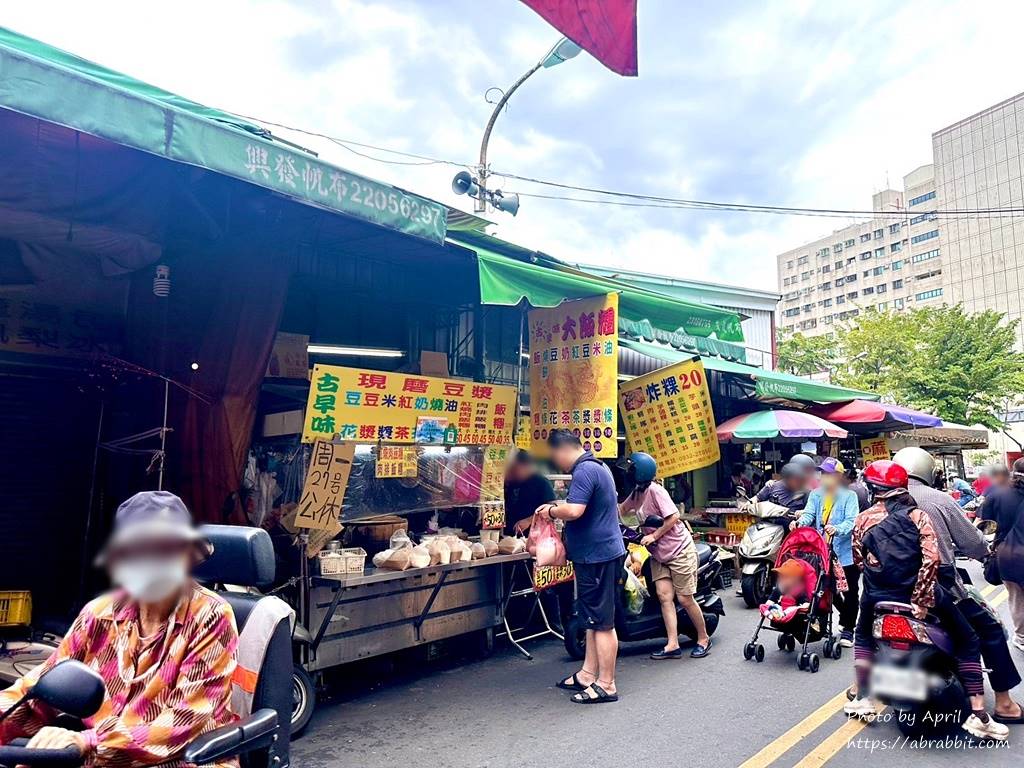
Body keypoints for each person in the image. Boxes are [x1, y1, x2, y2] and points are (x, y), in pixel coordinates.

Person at [0, 491, 239, 765]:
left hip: (186, 758)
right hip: (103, 757)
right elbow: (36, 693)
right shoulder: (98, 614)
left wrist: (88, 741)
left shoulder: (212, 616)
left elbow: (182, 723)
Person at [844, 461, 1008, 741]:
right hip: (921, 595)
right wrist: (921, 598)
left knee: (863, 637)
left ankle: (862, 698)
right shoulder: (917, 516)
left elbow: (861, 560)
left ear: (873, 489)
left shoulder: (862, 520)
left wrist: (875, 590)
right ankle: (979, 715)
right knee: (968, 640)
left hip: (877, 596)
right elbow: (931, 560)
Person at [894, 446, 1023, 724]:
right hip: (938, 585)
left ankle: (862, 692)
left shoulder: (879, 501)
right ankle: (1004, 704)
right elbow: (972, 541)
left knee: (864, 633)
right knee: (989, 630)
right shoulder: (937, 499)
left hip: (890, 587)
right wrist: (984, 553)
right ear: (927, 471)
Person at [539, 430, 625, 704]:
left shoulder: (585, 471)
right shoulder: (598, 467)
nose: (558, 463)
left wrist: (550, 511)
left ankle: (607, 684)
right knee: (592, 620)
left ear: (563, 449)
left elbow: (575, 510)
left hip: (598, 557)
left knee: (602, 623)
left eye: (555, 457)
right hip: (597, 555)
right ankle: (588, 674)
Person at [619, 452, 712, 660]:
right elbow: (622, 510)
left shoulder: (656, 490)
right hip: (659, 555)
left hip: (678, 550)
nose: (627, 474)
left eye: (631, 470)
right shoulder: (636, 492)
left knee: (685, 598)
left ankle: (703, 638)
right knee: (664, 596)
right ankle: (672, 644)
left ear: (640, 473)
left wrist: (654, 535)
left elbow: (674, 517)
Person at [791, 458, 860, 646]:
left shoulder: (849, 496)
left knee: (850, 591)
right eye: (823, 474)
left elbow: (852, 521)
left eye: (829, 474)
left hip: (844, 554)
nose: (824, 478)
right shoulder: (815, 494)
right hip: (822, 552)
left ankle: (848, 629)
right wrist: (799, 523)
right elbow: (809, 514)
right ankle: (846, 620)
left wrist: (838, 529)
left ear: (838, 476)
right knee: (827, 589)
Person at [982, 457, 1024, 656]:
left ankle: (1022, 638)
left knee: (1016, 598)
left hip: (1008, 555)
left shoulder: (997, 494)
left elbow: (985, 526)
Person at [504, 450, 556, 535]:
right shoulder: (514, 482)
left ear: (526, 466)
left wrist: (529, 521)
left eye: (515, 468)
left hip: (533, 535)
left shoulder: (542, 482)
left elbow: (552, 508)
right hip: (511, 535)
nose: (513, 472)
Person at [759, 558, 813, 622]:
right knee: (765, 606)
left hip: (793, 616)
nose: (782, 580)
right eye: (780, 577)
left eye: (785, 577)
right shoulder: (779, 588)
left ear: (795, 579)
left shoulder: (798, 591)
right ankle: (770, 613)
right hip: (779, 610)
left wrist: (800, 608)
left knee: (793, 609)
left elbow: (805, 604)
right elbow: (771, 600)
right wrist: (768, 606)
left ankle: (778, 614)